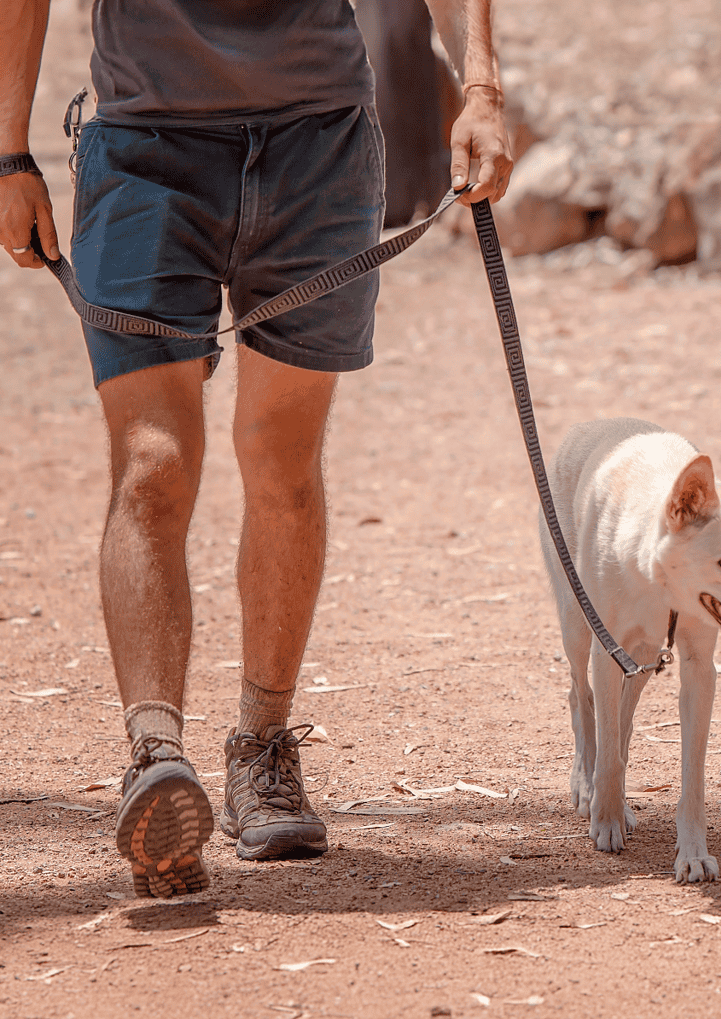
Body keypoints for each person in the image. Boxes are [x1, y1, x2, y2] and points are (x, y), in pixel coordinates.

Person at [0, 0, 512, 897]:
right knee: (152, 466)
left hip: (318, 146)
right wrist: (8, 149)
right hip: (145, 150)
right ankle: (155, 759)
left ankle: (263, 745)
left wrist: (480, 88)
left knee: (281, 459)